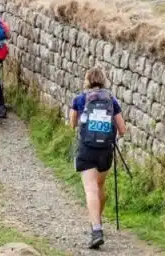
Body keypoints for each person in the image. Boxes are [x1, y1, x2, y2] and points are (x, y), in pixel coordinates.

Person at [69, 67, 127, 250]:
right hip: (105, 151)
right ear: (103, 80)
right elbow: (123, 129)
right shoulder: (111, 99)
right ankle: (97, 219)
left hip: (87, 149)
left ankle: (96, 229)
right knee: (100, 186)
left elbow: (72, 123)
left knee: (91, 189)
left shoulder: (80, 99)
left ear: (87, 81)